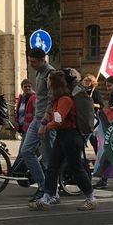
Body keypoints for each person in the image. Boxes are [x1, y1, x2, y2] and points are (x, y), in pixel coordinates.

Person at [30, 70, 98, 211]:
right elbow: (50, 113)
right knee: (52, 166)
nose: (46, 82)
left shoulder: (65, 100)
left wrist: (45, 127)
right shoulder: (56, 99)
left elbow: (58, 120)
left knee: (76, 168)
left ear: (54, 83)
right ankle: (47, 197)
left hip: (71, 137)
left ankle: (91, 197)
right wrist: (44, 123)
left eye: (48, 80)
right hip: (63, 136)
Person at [19, 48, 54, 191]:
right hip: (36, 119)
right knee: (26, 151)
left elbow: (52, 101)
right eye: (29, 61)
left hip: (47, 121)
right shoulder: (38, 72)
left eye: (33, 62)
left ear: (41, 60)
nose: (31, 64)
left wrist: (44, 123)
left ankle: (51, 191)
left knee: (48, 159)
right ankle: (42, 185)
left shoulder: (50, 74)